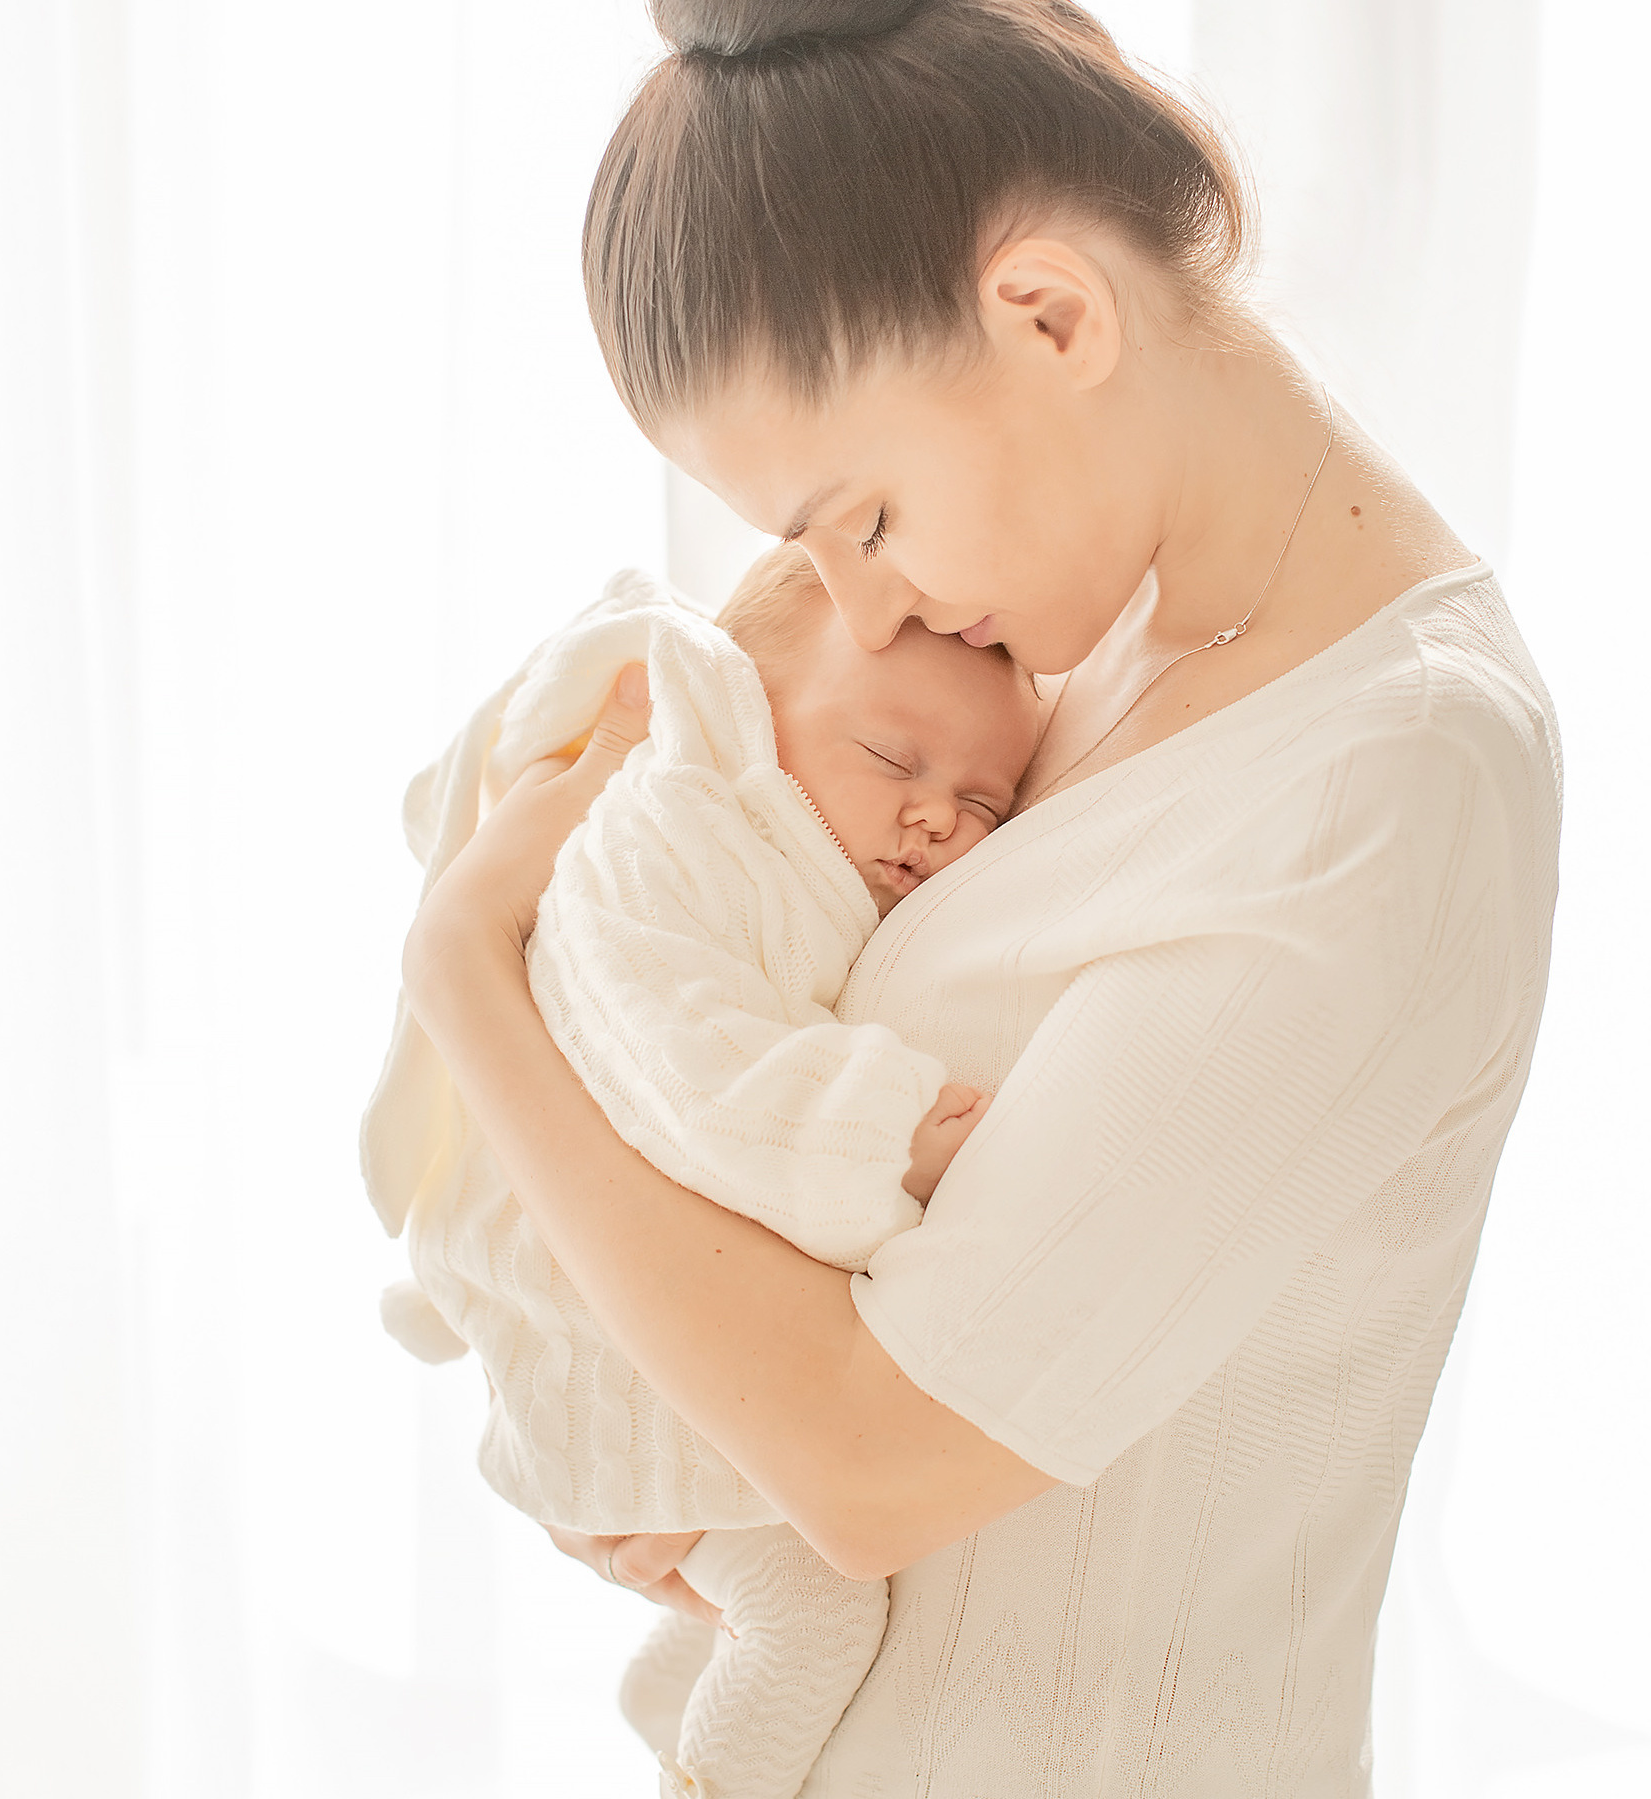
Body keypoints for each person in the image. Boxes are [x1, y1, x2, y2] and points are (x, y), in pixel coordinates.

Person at [395, 1, 1561, 1791]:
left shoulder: (1379, 780)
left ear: (1051, 315)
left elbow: (868, 1462)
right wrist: (607, 1396)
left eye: (865, 519)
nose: (864, 610)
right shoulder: (1073, 648)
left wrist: (467, 973)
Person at [366, 550, 1038, 1798]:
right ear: (743, 702)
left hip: (645, 1297)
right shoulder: (673, 833)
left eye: (987, 803)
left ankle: (669, 1681)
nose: (939, 815)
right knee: (818, 1611)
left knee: (760, 1577)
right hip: (592, 1312)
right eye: (892, 759)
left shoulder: (794, 860)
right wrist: (876, 1128)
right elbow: (686, 1061)